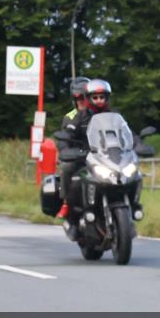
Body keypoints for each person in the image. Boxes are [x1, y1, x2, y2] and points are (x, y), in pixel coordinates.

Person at [55, 76, 96, 219]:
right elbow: (65, 138)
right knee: (66, 168)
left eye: (84, 98)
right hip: (78, 155)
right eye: (78, 99)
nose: (81, 102)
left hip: (100, 154)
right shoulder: (70, 116)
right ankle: (66, 202)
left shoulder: (98, 113)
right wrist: (66, 150)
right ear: (74, 100)